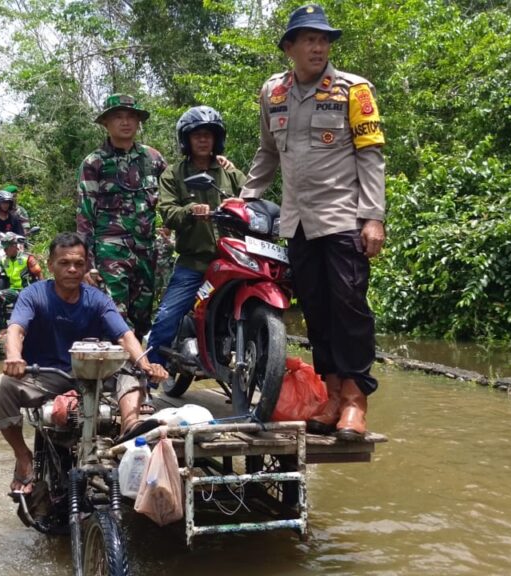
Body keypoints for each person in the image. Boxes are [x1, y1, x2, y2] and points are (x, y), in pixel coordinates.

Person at [240, 4, 386, 440]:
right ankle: (332, 395)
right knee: (317, 312)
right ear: (290, 47)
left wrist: (373, 217)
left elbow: (371, 156)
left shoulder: (353, 90)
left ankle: (356, 400)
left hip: (343, 219)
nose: (318, 47)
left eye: (323, 40)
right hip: (297, 223)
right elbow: (268, 152)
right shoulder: (274, 93)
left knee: (350, 308)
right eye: (309, 39)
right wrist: (246, 198)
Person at [0, 232, 168, 493]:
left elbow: (124, 335)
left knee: (130, 366)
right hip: (45, 375)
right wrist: (14, 356)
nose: (72, 269)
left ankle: (131, 429)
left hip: (92, 374)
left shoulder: (97, 299)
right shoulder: (33, 294)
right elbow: (16, 329)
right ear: (50, 265)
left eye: (78, 263)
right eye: (64, 263)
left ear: (86, 265)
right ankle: (23, 457)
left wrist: (145, 363)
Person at [146, 106, 247, 369]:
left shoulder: (230, 172)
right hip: (194, 263)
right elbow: (167, 212)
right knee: (167, 316)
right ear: (187, 139)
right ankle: (149, 377)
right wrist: (191, 211)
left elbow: (252, 201)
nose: (203, 140)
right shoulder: (174, 174)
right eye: (197, 135)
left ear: (217, 139)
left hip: (232, 261)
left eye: (208, 135)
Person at [76, 93, 168, 339]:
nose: (125, 122)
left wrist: (217, 161)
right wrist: (87, 263)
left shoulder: (153, 158)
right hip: (110, 251)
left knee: (143, 317)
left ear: (138, 122)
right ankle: (114, 374)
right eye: (118, 117)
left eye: (131, 117)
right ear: (106, 123)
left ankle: (139, 371)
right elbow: (85, 215)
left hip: (147, 250)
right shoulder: (94, 162)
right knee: (114, 314)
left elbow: (174, 192)